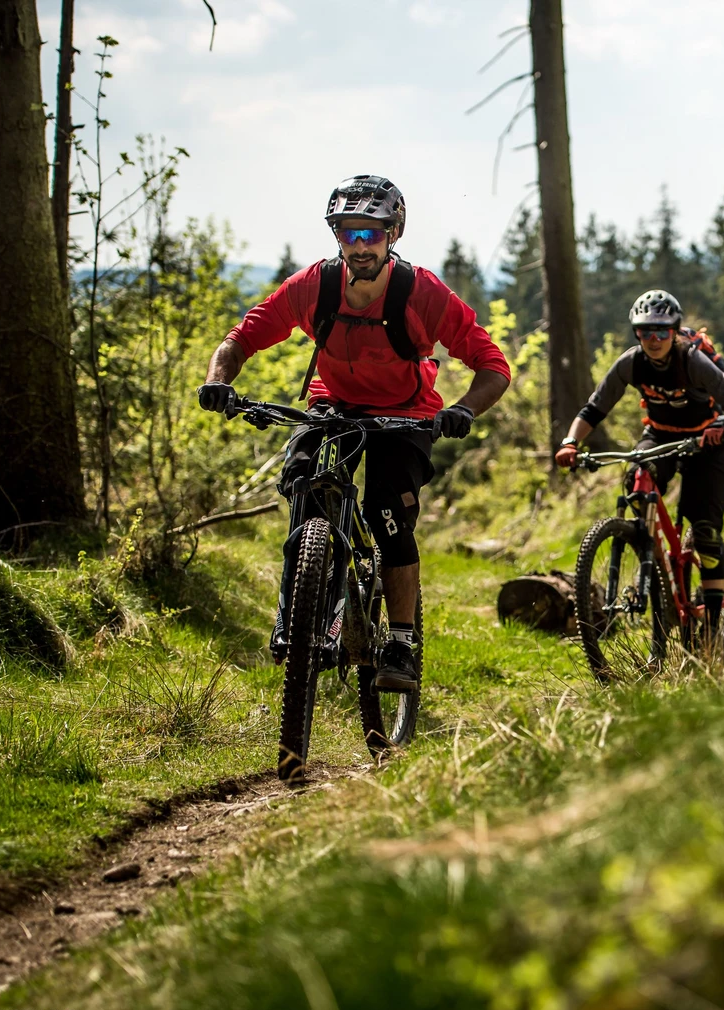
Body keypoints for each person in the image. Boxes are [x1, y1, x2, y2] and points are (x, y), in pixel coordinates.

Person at [198, 175, 510, 687]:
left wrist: (463, 409)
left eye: (372, 233)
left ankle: (402, 643)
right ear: (336, 235)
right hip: (334, 407)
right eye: (348, 233)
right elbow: (241, 338)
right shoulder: (314, 287)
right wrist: (218, 383)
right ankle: (300, 613)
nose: (360, 245)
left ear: (394, 233)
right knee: (303, 482)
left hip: (405, 415)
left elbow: (493, 365)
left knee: (387, 514)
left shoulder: (422, 292)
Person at [554, 289, 724, 635]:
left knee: (705, 529)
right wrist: (571, 442)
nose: (655, 339)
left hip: (707, 442)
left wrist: (723, 424)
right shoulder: (631, 363)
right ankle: (654, 559)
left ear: (675, 331)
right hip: (660, 436)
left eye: (662, 331)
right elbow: (594, 409)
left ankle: (713, 618)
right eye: (647, 332)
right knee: (637, 481)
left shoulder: (692, 361)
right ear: (637, 334)